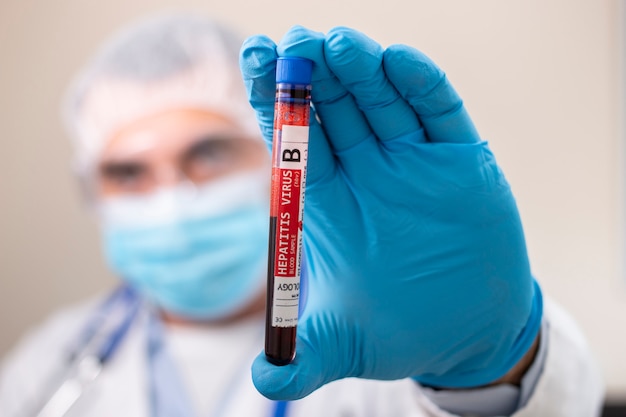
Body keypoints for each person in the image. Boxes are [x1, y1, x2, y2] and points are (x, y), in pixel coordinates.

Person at [0, 13, 604, 417]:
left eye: (206, 153)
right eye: (127, 172)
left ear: (277, 152)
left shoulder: (388, 335)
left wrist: (489, 367)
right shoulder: (50, 359)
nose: (171, 197)